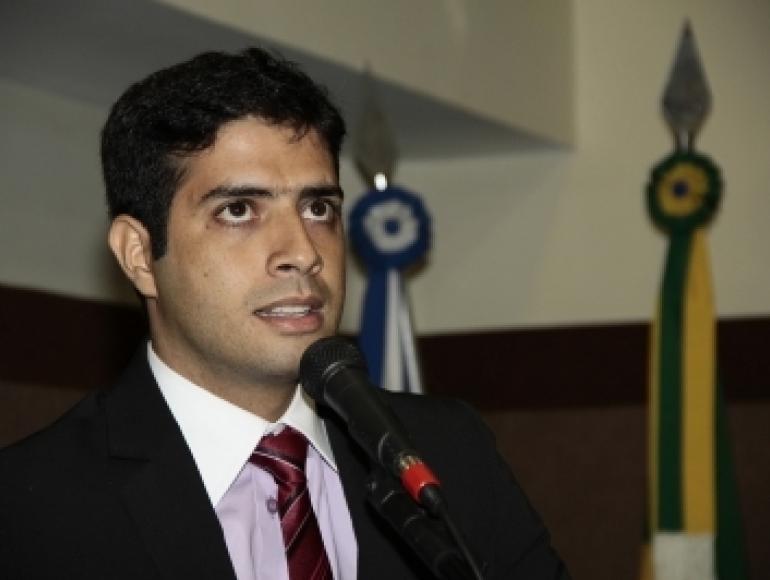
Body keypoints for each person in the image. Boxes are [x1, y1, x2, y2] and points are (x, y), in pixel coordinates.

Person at [0, 47, 569, 580]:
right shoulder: (31, 507)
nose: (303, 252)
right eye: (239, 210)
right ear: (139, 256)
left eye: (319, 207)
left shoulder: (446, 452)